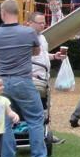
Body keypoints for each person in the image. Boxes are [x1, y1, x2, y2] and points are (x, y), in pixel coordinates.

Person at [0, 0, 56, 157]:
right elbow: (35, 52)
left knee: (5, 122)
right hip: (23, 80)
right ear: (18, 13)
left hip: (1, 83)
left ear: (2, 13)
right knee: (35, 118)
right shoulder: (28, 33)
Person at [27, 11, 65, 145]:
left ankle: (45, 132)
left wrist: (54, 56)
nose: (43, 25)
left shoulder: (42, 37)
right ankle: (36, 135)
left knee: (46, 107)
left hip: (44, 77)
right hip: (33, 78)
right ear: (30, 23)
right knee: (37, 107)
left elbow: (42, 55)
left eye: (44, 22)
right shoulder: (26, 38)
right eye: (40, 23)